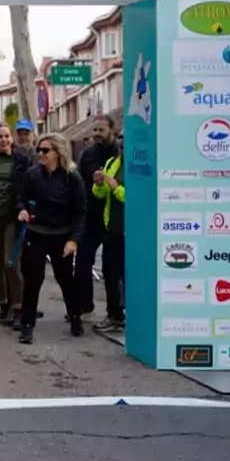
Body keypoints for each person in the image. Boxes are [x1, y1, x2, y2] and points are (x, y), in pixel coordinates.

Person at [17, 133, 87, 344]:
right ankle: (27, 325)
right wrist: (21, 210)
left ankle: (75, 317)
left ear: (58, 152)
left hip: (61, 235)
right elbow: (20, 198)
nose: (41, 154)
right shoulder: (32, 174)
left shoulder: (72, 177)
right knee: (32, 280)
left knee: (65, 278)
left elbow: (81, 211)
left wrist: (74, 239)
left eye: (45, 150)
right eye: (39, 150)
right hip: (36, 232)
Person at [0, 123, 30, 327]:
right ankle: (4, 305)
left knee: (11, 263)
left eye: (6, 136)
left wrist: (24, 208)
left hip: (13, 217)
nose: (3, 140)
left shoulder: (21, 160)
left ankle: (19, 307)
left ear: (11, 138)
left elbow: (27, 187)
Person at [77, 115, 118, 319]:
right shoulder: (86, 154)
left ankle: (115, 313)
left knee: (112, 269)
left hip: (114, 219)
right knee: (82, 262)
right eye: (94, 130)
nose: (97, 134)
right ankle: (85, 307)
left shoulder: (121, 153)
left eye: (101, 130)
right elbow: (79, 184)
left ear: (112, 130)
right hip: (91, 218)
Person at [92, 131, 125, 333]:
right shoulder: (112, 162)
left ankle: (129, 314)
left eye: (125, 145)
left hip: (132, 228)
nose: (122, 148)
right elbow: (101, 194)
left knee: (127, 275)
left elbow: (137, 197)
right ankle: (114, 315)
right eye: (120, 145)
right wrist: (98, 184)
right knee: (109, 273)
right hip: (111, 226)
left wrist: (116, 188)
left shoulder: (140, 166)